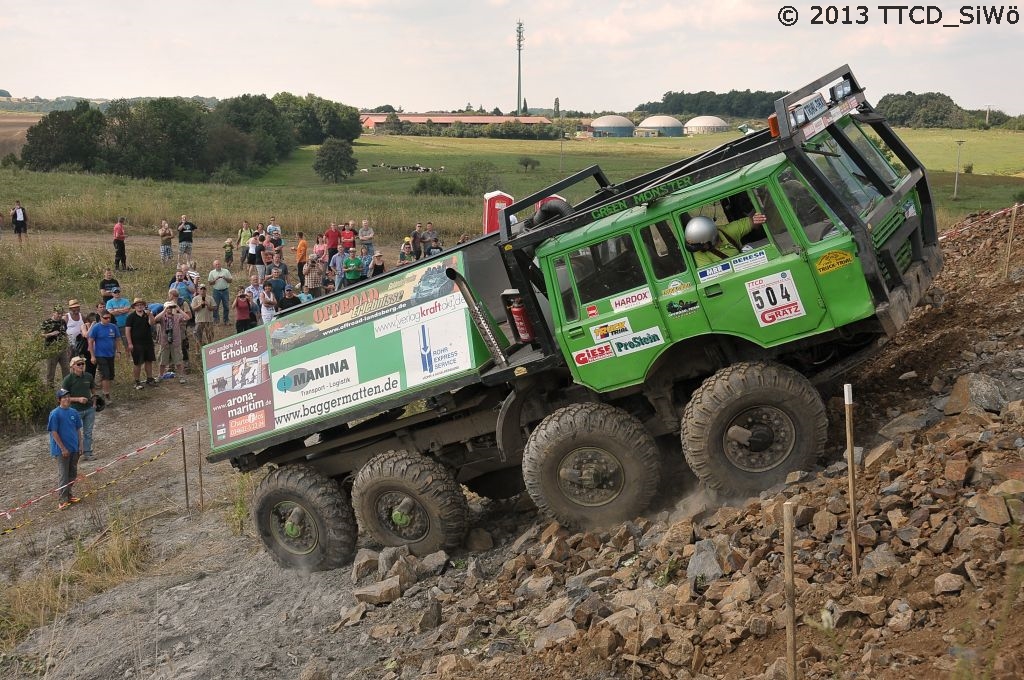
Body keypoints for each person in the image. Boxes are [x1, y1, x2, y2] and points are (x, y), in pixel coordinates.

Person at [683, 213, 766, 267]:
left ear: (711, 237)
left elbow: (750, 222)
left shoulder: (727, 231)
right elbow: (711, 277)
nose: (700, 249)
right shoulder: (699, 254)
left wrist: (757, 218)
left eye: (702, 245)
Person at [49, 389, 83, 509]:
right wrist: (63, 448)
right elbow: (54, 432)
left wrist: (80, 445)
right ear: (59, 400)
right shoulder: (55, 414)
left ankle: (68, 495)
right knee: (64, 474)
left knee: (72, 473)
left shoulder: (74, 412)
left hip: (74, 448)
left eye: (68, 396)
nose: (66, 399)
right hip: (61, 451)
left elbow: (78, 429)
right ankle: (62, 500)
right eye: (63, 397)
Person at [62, 356, 97, 461]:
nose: (81, 366)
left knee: (88, 432)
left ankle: (88, 453)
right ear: (73, 366)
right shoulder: (68, 379)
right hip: (75, 410)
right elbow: (63, 397)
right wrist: (78, 399)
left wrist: (94, 402)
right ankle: (75, 453)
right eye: (78, 364)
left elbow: (93, 390)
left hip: (89, 409)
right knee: (73, 433)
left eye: (82, 364)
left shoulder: (88, 376)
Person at [88, 310, 121, 403]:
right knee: (105, 375)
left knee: (110, 375)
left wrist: (118, 351)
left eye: (109, 318)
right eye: (105, 318)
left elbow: (117, 339)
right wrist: (92, 356)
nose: (107, 319)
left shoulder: (113, 327)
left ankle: (104, 388)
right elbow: (90, 341)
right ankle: (106, 394)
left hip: (110, 354)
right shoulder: (96, 327)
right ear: (101, 318)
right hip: (100, 354)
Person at [125, 297, 157, 389]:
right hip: (136, 343)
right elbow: (127, 331)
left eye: (141, 305)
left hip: (148, 342)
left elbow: (152, 323)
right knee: (137, 363)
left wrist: (150, 314)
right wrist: (130, 343)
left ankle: (149, 379)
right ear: (134, 307)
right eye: (137, 305)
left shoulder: (147, 315)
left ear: (144, 306)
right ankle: (137, 381)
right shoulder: (131, 317)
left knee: (149, 361)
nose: (139, 306)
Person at [154, 301, 188, 383]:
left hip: (175, 341)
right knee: (163, 361)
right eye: (168, 307)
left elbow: (187, 318)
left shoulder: (177, 316)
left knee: (178, 361)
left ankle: (181, 376)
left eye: (171, 307)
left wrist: (179, 310)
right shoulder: (162, 317)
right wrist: (164, 310)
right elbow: (155, 319)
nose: (169, 309)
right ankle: (160, 375)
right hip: (164, 342)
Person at [41, 305, 70, 387]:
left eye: (61, 313)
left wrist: (67, 345)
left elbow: (65, 333)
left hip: (62, 348)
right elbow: (41, 334)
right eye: (58, 313)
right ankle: (49, 390)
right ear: (54, 312)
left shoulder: (63, 322)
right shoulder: (47, 322)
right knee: (51, 371)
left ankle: (66, 387)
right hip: (52, 349)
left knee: (66, 369)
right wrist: (50, 334)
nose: (60, 315)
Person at [105, 287, 132, 354]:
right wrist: (122, 310)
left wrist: (116, 310)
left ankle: (128, 357)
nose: (117, 293)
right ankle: (115, 356)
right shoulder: (109, 302)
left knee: (126, 341)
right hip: (113, 325)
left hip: (124, 324)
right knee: (113, 342)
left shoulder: (126, 301)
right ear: (112, 293)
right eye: (115, 292)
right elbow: (110, 312)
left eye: (118, 292)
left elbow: (127, 310)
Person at [207, 259, 233, 324]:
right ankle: (216, 320)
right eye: (216, 264)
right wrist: (215, 279)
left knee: (226, 306)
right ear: (214, 266)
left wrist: (225, 278)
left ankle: (226, 320)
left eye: (218, 264)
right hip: (216, 291)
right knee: (215, 306)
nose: (218, 265)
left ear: (220, 264)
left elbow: (230, 281)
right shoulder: (212, 272)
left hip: (225, 291)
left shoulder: (226, 271)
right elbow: (210, 283)